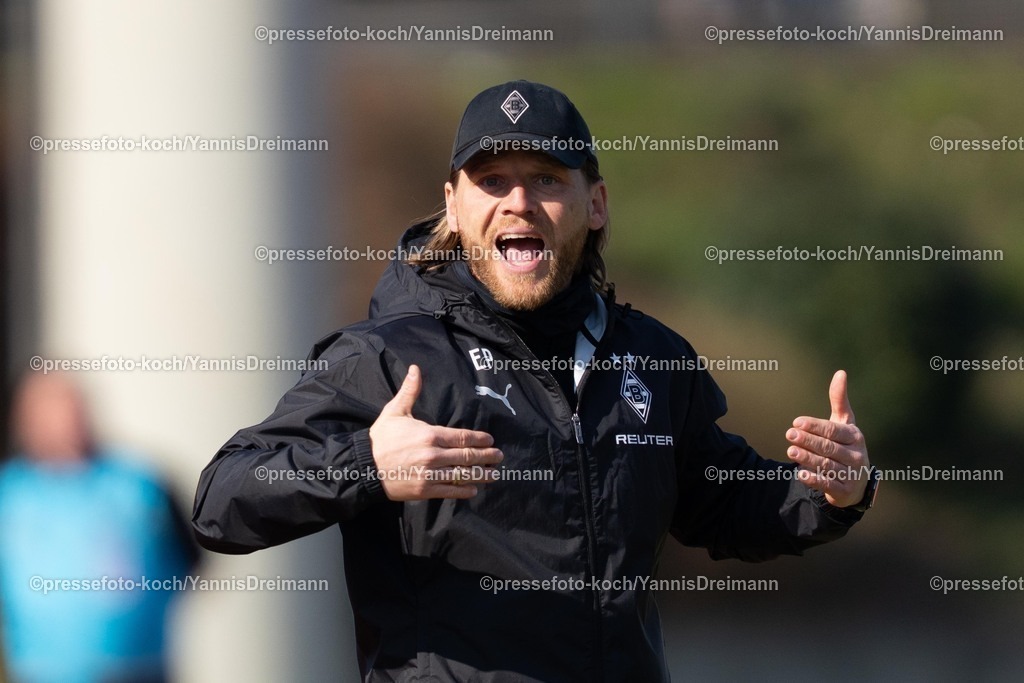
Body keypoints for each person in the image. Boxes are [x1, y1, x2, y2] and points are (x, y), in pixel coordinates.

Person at [192, 80, 878, 682]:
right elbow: (223, 497)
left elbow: (724, 506)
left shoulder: (652, 358)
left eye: (548, 179)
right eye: (491, 181)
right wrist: (365, 463)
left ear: (596, 203)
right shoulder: (386, 359)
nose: (518, 202)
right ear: (454, 208)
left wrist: (829, 492)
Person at [0, 373, 198, 683]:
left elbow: (193, 558)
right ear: (25, 418)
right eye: (50, 408)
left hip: (139, 671)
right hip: (41, 673)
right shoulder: (11, 493)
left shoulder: (140, 481)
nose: (67, 418)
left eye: (72, 405)